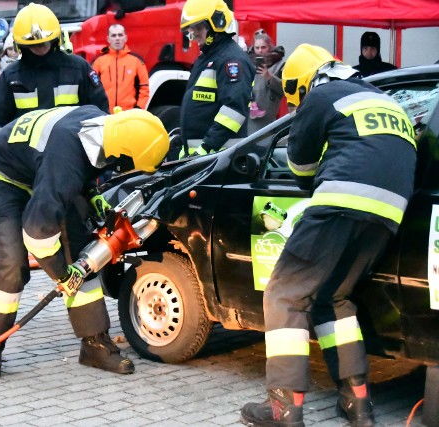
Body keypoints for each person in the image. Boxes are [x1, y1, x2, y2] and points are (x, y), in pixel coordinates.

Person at [241, 44, 417, 427]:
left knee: (284, 293)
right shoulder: (384, 100)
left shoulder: (320, 95)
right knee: (334, 298)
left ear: (305, 83)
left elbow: (301, 167)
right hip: (389, 215)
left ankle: (283, 408)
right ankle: (357, 403)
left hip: (341, 201)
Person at [0, 106, 169, 379]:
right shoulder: (64, 161)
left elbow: (81, 167)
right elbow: (37, 232)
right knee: (12, 261)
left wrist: (92, 197)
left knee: (81, 253)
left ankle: (94, 344)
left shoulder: (103, 127)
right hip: (0, 178)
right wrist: (63, 274)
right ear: (122, 152)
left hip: (40, 170)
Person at [0, 2, 109, 137]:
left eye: (44, 43)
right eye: (34, 45)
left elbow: (99, 113)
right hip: (25, 155)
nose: (40, 47)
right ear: (21, 46)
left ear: (56, 39)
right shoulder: (11, 76)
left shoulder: (78, 69)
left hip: (71, 151)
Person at [176, 0, 254, 159]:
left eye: (198, 27)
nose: (194, 33)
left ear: (215, 25)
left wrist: (207, 147)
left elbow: (234, 111)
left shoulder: (231, 60)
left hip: (219, 159)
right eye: (192, 28)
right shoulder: (208, 58)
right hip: (201, 159)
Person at [91, 23, 150, 112]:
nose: (117, 38)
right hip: (105, 114)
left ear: (125, 38)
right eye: (114, 35)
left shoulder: (136, 61)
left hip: (129, 114)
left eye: (120, 35)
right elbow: (92, 89)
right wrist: (97, 110)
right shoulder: (98, 61)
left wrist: (139, 109)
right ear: (108, 39)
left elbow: (144, 88)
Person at [247, 32, 286, 134]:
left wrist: (268, 76)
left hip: (268, 118)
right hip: (248, 115)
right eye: (257, 47)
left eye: (263, 47)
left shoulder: (279, 64)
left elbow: (284, 89)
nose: (260, 51)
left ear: (270, 47)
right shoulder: (247, 62)